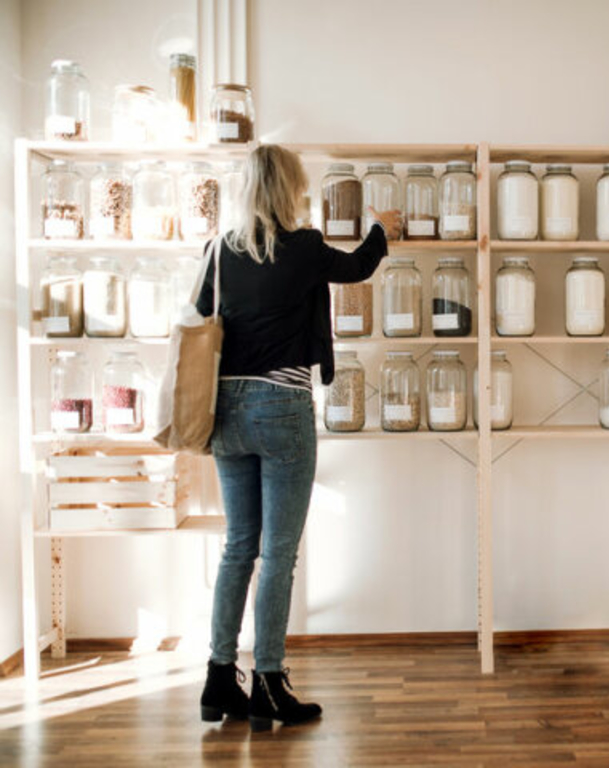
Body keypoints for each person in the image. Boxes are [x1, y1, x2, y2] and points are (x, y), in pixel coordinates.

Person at [195, 144, 400, 732]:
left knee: (239, 546)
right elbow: (360, 266)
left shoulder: (217, 252)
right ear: (290, 190)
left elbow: (195, 319)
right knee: (278, 554)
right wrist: (381, 230)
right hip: (281, 407)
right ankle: (269, 683)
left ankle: (218, 677)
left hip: (225, 413)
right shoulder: (305, 246)